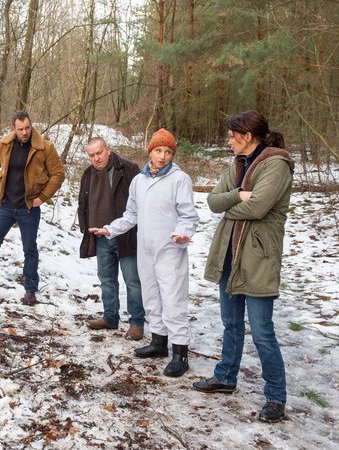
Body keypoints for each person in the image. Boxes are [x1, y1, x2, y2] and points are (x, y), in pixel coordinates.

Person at [192, 111, 293, 423]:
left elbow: (259, 207)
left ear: (247, 136)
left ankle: (275, 397)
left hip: (258, 259)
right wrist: (237, 194)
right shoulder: (236, 164)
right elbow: (212, 201)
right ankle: (225, 376)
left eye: (232, 135)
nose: (228, 140)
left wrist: (232, 205)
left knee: (262, 332)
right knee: (230, 324)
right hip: (228, 255)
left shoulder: (276, 165)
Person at [90, 128, 199, 377]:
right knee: (151, 297)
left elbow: (188, 214)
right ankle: (159, 343)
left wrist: (182, 233)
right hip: (145, 249)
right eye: (158, 150)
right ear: (150, 151)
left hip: (170, 248)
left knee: (173, 300)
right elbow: (131, 215)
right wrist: (110, 230)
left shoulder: (179, 180)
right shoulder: (139, 181)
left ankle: (180, 353)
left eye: (168, 152)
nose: (162, 156)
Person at [0, 111, 65, 305]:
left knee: (29, 249)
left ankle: (30, 290)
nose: (24, 132)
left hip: (29, 207)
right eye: (20, 129)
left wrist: (43, 197)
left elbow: (58, 174)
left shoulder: (44, 148)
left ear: (31, 126)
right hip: (6, 205)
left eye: (27, 128)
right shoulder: (5, 145)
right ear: (14, 128)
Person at [78, 137, 145, 340]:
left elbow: (142, 200)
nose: (96, 158)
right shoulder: (88, 174)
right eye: (92, 155)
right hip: (100, 236)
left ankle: (136, 323)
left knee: (133, 280)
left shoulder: (128, 169)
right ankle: (110, 317)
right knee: (106, 280)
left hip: (126, 235)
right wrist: (85, 227)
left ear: (108, 150)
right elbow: (83, 203)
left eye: (99, 153)